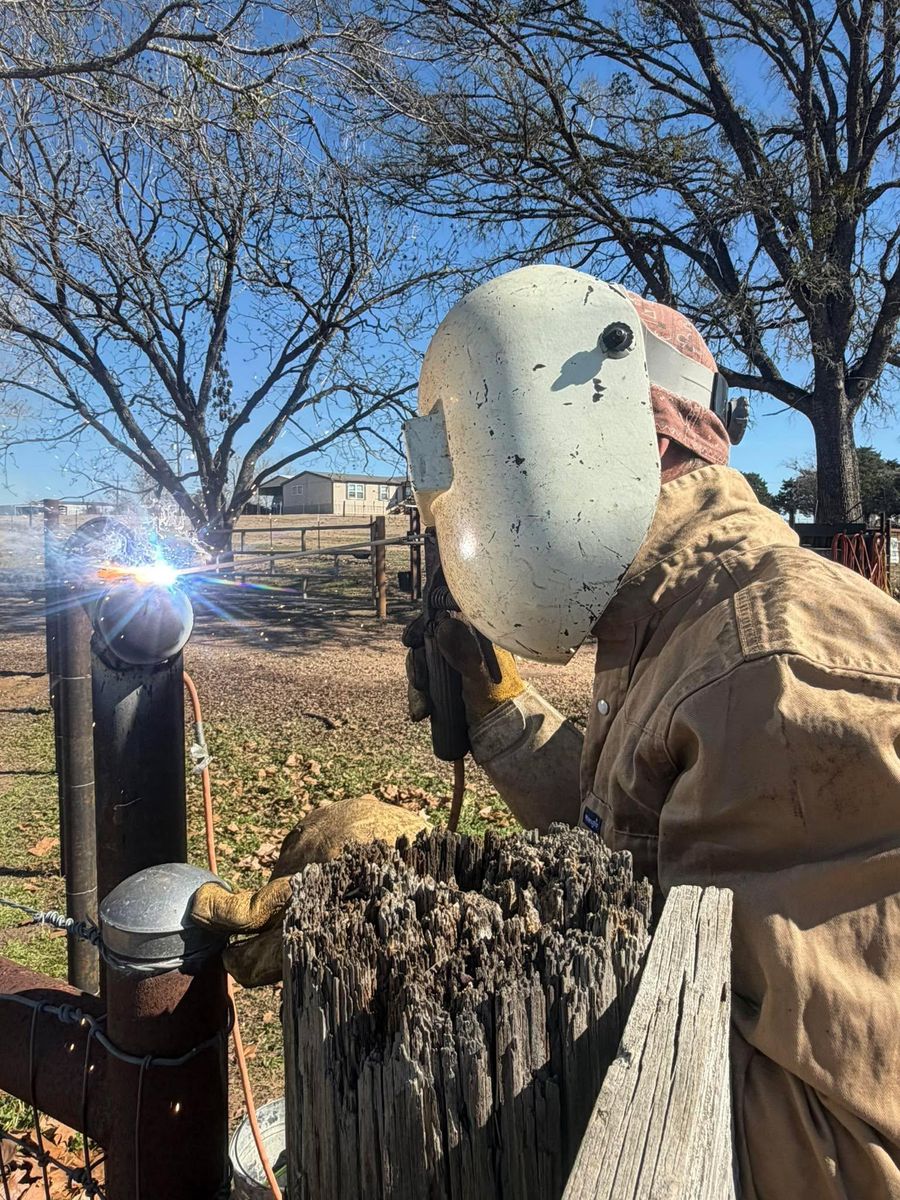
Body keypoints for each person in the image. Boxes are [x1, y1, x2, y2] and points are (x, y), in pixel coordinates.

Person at [192, 267, 900, 1199]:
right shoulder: (671, 623)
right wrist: (502, 717)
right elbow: (638, 850)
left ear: (586, 439)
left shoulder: (779, 668)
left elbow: (836, 1154)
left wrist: (405, 928)